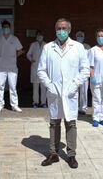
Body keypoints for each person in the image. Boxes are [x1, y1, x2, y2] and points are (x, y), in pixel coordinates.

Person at [38, 18, 89, 169]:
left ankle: (71, 155)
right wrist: (49, 85)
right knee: (54, 122)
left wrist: (75, 85)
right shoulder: (48, 47)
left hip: (70, 92)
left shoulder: (78, 47)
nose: (61, 31)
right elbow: (41, 70)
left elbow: (85, 69)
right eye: (58, 28)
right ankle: (53, 153)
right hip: (54, 92)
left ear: (69, 30)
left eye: (63, 28)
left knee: (71, 123)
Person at [0, 20, 24, 113]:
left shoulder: (15, 39)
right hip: (1, 67)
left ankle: (14, 105)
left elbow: (20, 50)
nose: (6, 29)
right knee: (0, 87)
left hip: (12, 67)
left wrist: (13, 56)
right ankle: (0, 105)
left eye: (7, 27)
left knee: (13, 87)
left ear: (10, 28)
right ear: (2, 28)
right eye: (4, 27)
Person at [26, 30, 47, 108]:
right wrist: (31, 59)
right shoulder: (33, 45)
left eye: (41, 35)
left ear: (43, 36)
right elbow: (28, 54)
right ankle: (35, 102)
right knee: (35, 87)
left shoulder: (46, 45)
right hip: (35, 68)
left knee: (44, 87)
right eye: (38, 35)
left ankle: (43, 102)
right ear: (36, 36)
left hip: (44, 69)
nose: (39, 36)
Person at [75, 31, 91, 115]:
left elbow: (90, 60)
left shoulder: (87, 47)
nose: (80, 37)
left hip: (84, 72)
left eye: (81, 36)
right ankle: (74, 107)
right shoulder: (73, 46)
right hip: (74, 72)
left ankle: (83, 107)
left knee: (84, 91)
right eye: (78, 36)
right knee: (74, 90)